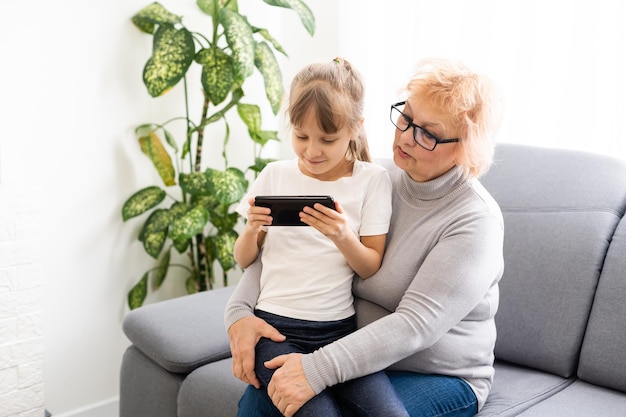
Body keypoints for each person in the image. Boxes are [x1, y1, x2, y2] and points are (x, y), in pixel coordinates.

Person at [226, 58, 504, 417]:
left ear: (466, 148)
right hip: (349, 352)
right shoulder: (377, 178)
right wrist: (238, 315)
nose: (404, 137)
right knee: (268, 399)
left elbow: (415, 325)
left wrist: (316, 369)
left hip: (436, 373)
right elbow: (282, 249)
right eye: (406, 118)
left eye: (428, 134)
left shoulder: (474, 220)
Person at [229, 58, 409, 417]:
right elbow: (244, 258)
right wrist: (252, 229)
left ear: (355, 128)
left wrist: (342, 235)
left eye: (327, 140)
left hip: (339, 334)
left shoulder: (372, 180)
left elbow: (370, 265)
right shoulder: (274, 175)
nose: (312, 151)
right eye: (301, 136)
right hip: (274, 330)